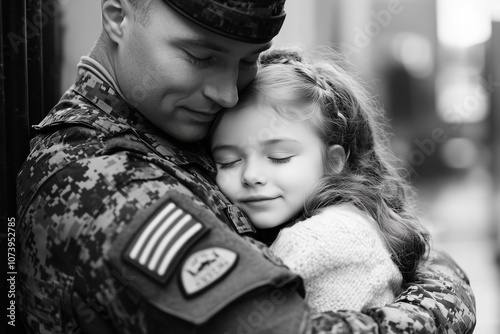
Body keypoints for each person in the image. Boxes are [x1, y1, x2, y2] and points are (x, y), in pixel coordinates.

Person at [15, 0, 476, 333]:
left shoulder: (179, 117)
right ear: (118, 16)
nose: (227, 92)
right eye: (200, 56)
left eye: (247, 61)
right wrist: (443, 297)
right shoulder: (103, 181)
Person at [210, 46, 429, 313]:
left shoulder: (320, 242)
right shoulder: (343, 219)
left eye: (279, 157)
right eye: (229, 162)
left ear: (333, 161)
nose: (251, 176)